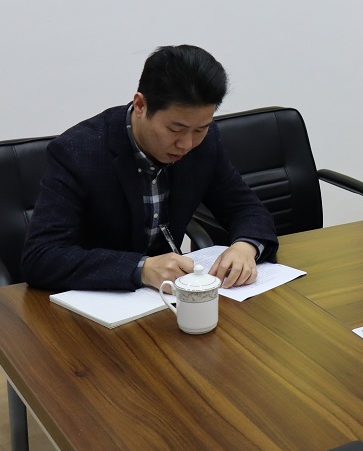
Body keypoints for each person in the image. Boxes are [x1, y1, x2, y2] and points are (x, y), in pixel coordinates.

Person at [22, 45, 278, 293]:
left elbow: (246, 208)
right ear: (140, 105)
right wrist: (141, 268)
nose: (186, 144)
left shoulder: (205, 144)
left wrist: (245, 248)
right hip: (96, 301)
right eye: (175, 129)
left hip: (168, 298)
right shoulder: (77, 152)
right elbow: (41, 257)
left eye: (200, 129)